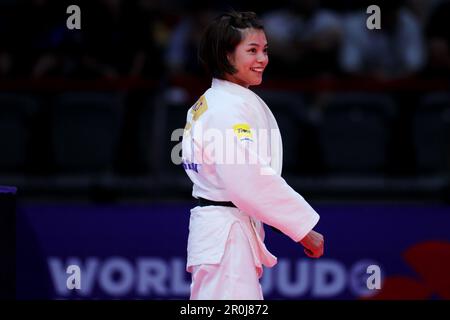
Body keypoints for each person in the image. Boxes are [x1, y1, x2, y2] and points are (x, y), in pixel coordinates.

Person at [181, 11, 324, 300]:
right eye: (252, 51)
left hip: (224, 234)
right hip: (227, 239)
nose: (263, 59)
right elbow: (247, 179)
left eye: (265, 50)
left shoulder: (215, 101)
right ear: (225, 55)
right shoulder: (225, 109)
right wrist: (302, 229)